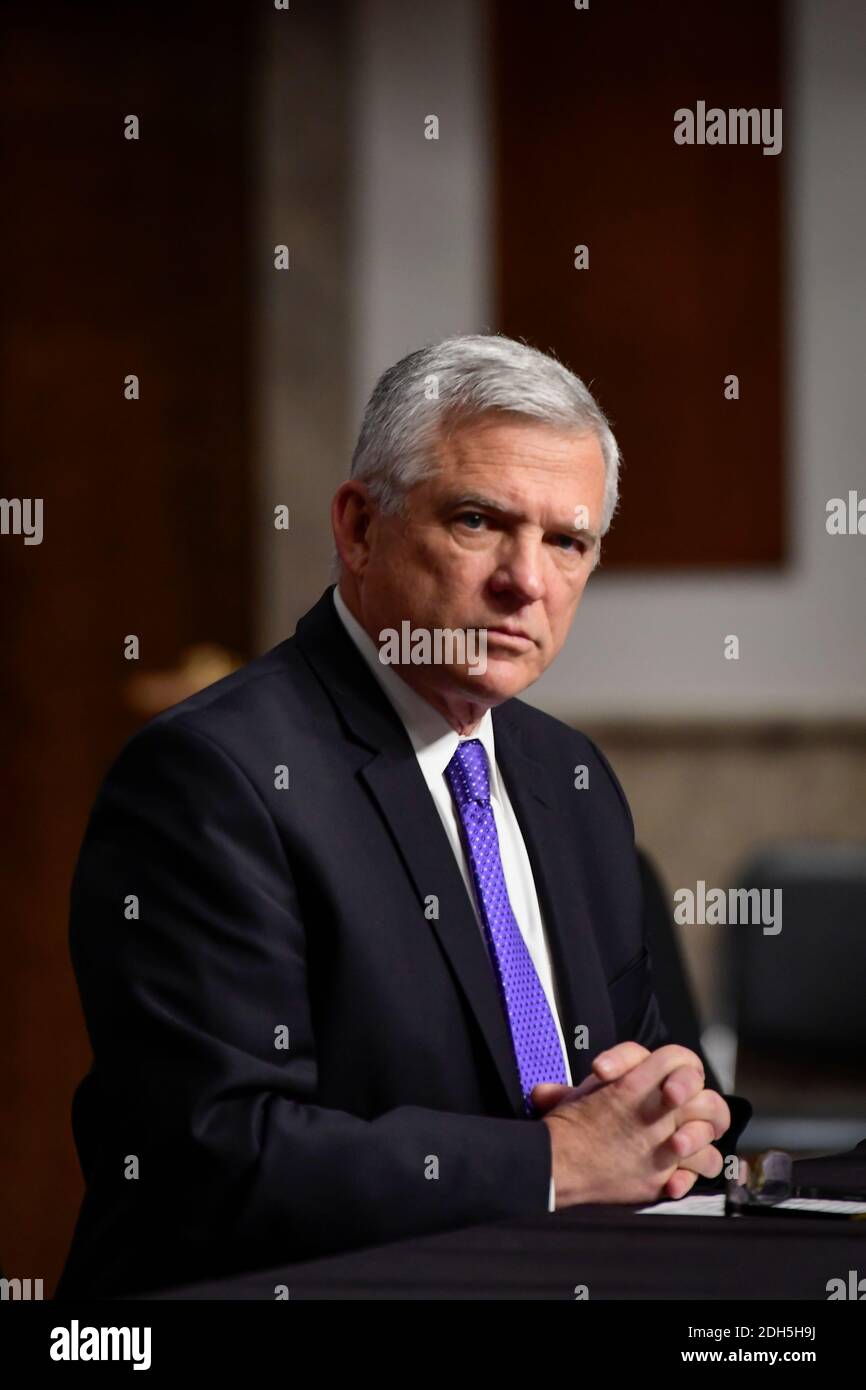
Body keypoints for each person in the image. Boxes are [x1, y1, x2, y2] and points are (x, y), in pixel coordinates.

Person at [57, 334, 750, 1298]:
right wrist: (556, 1163)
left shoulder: (569, 772)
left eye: (568, 541)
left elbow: (629, 1081)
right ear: (358, 527)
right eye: (478, 521)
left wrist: (678, 1113)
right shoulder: (211, 776)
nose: (528, 582)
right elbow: (214, 1152)